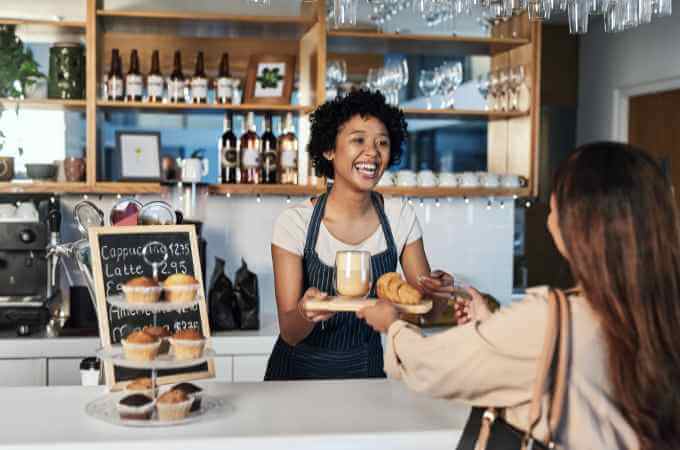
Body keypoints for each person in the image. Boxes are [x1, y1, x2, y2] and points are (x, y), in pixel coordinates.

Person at [358, 142, 680, 450]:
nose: (550, 213)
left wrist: (394, 325)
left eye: (556, 205)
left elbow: (434, 367)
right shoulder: (662, 311)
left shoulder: (548, 318)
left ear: (579, 225)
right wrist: (494, 324)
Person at [264, 90, 454, 380]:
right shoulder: (295, 223)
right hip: (296, 375)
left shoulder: (399, 217)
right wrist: (306, 313)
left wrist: (438, 294)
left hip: (366, 371)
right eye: (358, 140)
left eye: (382, 142)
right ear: (329, 149)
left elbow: (422, 314)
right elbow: (290, 332)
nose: (373, 152)